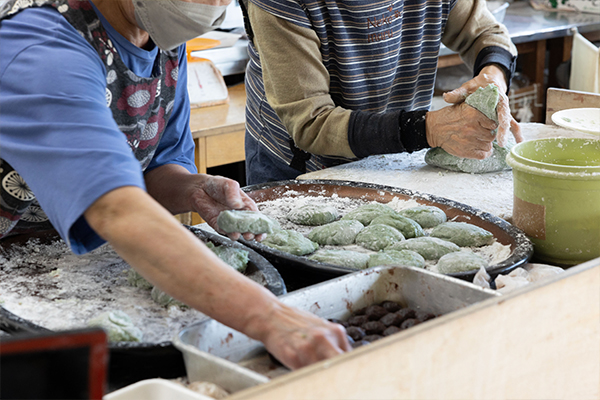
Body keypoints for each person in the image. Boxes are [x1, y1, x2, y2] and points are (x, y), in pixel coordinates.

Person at [0, 0, 350, 369]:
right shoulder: (43, 47)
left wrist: (192, 189)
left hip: (61, 268)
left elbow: (154, 166)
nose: (212, 6)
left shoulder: (158, 35)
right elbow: (115, 207)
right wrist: (269, 317)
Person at [239, 0, 524, 185]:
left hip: (396, 145)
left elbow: (485, 33)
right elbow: (312, 123)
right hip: (295, 162)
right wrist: (430, 129)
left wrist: (493, 77)